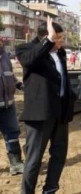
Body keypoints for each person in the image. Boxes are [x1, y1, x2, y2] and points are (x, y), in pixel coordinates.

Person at [16, 16, 76, 194]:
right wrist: (49, 41)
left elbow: (62, 78)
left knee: (59, 155)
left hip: (60, 114)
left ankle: (50, 190)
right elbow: (28, 61)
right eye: (57, 38)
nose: (61, 42)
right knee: (34, 159)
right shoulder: (26, 49)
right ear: (45, 37)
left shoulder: (61, 53)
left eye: (61, 38)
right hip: (40, 115)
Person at [0, 38, 24, 176]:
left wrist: (20, 85)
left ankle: (16, 164)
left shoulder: (5, 56)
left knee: (12, 134)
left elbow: (10, 76)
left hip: (8, 105)